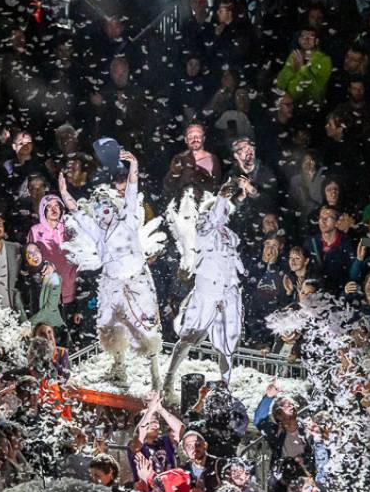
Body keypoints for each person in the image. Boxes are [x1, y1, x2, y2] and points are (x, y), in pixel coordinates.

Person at [60, 151, 164, 388]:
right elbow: (76, 212)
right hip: (112, 286)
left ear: (114, 208)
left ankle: (155, 375)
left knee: (146, 327)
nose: (103, 211)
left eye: (106, 206)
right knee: (110, 326)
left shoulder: (127, 218)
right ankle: (119, 367)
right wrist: (65, 193)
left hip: (136, 283)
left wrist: (134, 164)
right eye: (98, 209)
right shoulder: (97, 232)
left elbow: (131, 190)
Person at [163, 186, 245, 401]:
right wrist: (220, 198)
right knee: (188, 337)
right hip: (207, 292)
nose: (223, 213)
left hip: (228, 293)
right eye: (220, 209)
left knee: (227, 344)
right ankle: (169, 378)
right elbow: (210, 225)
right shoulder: (203, 227)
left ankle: (225, 385)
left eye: (226, 210)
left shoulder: (230, 236)